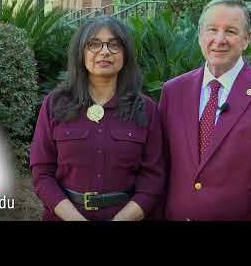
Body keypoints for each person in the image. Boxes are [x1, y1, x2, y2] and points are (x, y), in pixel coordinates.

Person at [159, 0, 251, 221]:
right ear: (200, 36)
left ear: (246, 39)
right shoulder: (173, 92)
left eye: (231, 31)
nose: (219, 39)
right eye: (212, 29)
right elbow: (161, 168)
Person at [30, 16, 166, 221]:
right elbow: (42, 173)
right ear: (81, 53)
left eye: (114, 45)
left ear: (125, 54)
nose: (104, 51)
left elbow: (153, 178)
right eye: (94, 44)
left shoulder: (146, 109)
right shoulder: (55, 104)